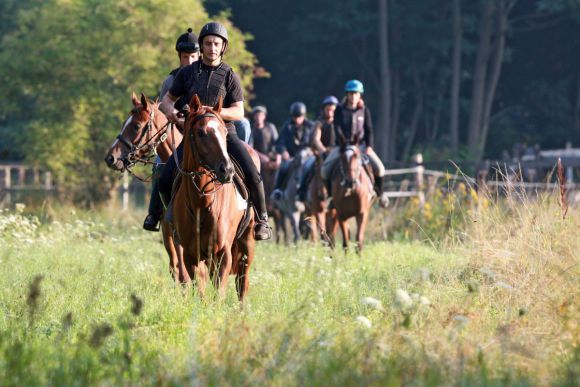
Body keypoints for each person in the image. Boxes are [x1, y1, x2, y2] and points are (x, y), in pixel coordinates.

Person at [158, 22, 272, 240]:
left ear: (223, 47)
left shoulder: (230, 75)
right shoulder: (187, 73)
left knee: (252, 173)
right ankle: (173, 217)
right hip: (194, 138)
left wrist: (213, 112)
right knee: (164, 179)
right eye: (208, 43)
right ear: (201, 46)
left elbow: (238, 112)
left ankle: (262, 220)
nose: (212, 48)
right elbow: (166, 101)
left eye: (216, 44)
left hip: (224, 135)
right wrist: (172, 113)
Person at [143, 28, 200, 232]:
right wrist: (175, 115)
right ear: (180, 57)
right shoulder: (170, 81)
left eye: (193, 56)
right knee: (159, 166)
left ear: (199, 55)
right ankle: (155, 213)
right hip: (175, 133)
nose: (190, 61)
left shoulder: (205, 77)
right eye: (186, 57)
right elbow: (161, 112)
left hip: (202, 135)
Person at [321, 80, 389, 208]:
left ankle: (380, 194)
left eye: (356, 94)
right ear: (346, 95)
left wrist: (369, 146)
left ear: (360, 95)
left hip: (361, 147)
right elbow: (337, 128)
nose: (353, 97)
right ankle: (331, 197)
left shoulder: (364, 110)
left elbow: (369, 130)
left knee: (380, 169)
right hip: (342, 147)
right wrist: (343, 143)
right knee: (324, 170)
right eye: (351, 94)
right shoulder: (339, 110)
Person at [296, 95, 338, 203]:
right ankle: (302, 191)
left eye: (332, 109)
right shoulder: (319, 123)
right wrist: (323, 150)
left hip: (336, 153)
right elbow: (315, 139)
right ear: (324, 110)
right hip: (320, 154)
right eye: (328, 109)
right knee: (307, 166)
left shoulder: (339, 123)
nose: (330, 112)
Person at [270, 102, 315, 200]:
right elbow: (279, 143)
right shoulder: (287, 126)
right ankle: (278, 190)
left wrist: (312, 150)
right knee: (284, 167)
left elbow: (315, 140)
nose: (297, 119)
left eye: (299, 117)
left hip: (308, 156)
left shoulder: (311, 126)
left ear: (304, 115)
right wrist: (283, 151)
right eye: (295, 117)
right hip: (292, 157)